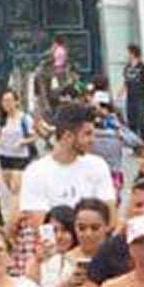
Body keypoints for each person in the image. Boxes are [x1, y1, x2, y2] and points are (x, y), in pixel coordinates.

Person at [19, 103, 116, 247]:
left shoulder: (98, 166)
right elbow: (41, 226)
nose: (92, 140)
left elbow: (110, 218)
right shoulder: (35, 173)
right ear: (68, 136)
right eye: (87, 134)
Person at [0, 90, 38, 189]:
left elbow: (35, 136)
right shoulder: (1, 119)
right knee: (10, 186)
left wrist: (22, 142)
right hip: (4, 156)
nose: (6, 103)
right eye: (4, 101)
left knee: (15, 186)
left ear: (16, 102)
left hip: (21, 157)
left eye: (9, 100)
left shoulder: (25, 118)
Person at [122, 44, 144, 134]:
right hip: (130, 96)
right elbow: (125, 81)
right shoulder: (127, 67)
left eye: (128, 53)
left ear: (133, 54)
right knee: (131, 120)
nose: (126, 55)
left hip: (140, 96)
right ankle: (134, 138)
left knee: (140, 120)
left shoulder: (142, 67)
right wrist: (120, 93)